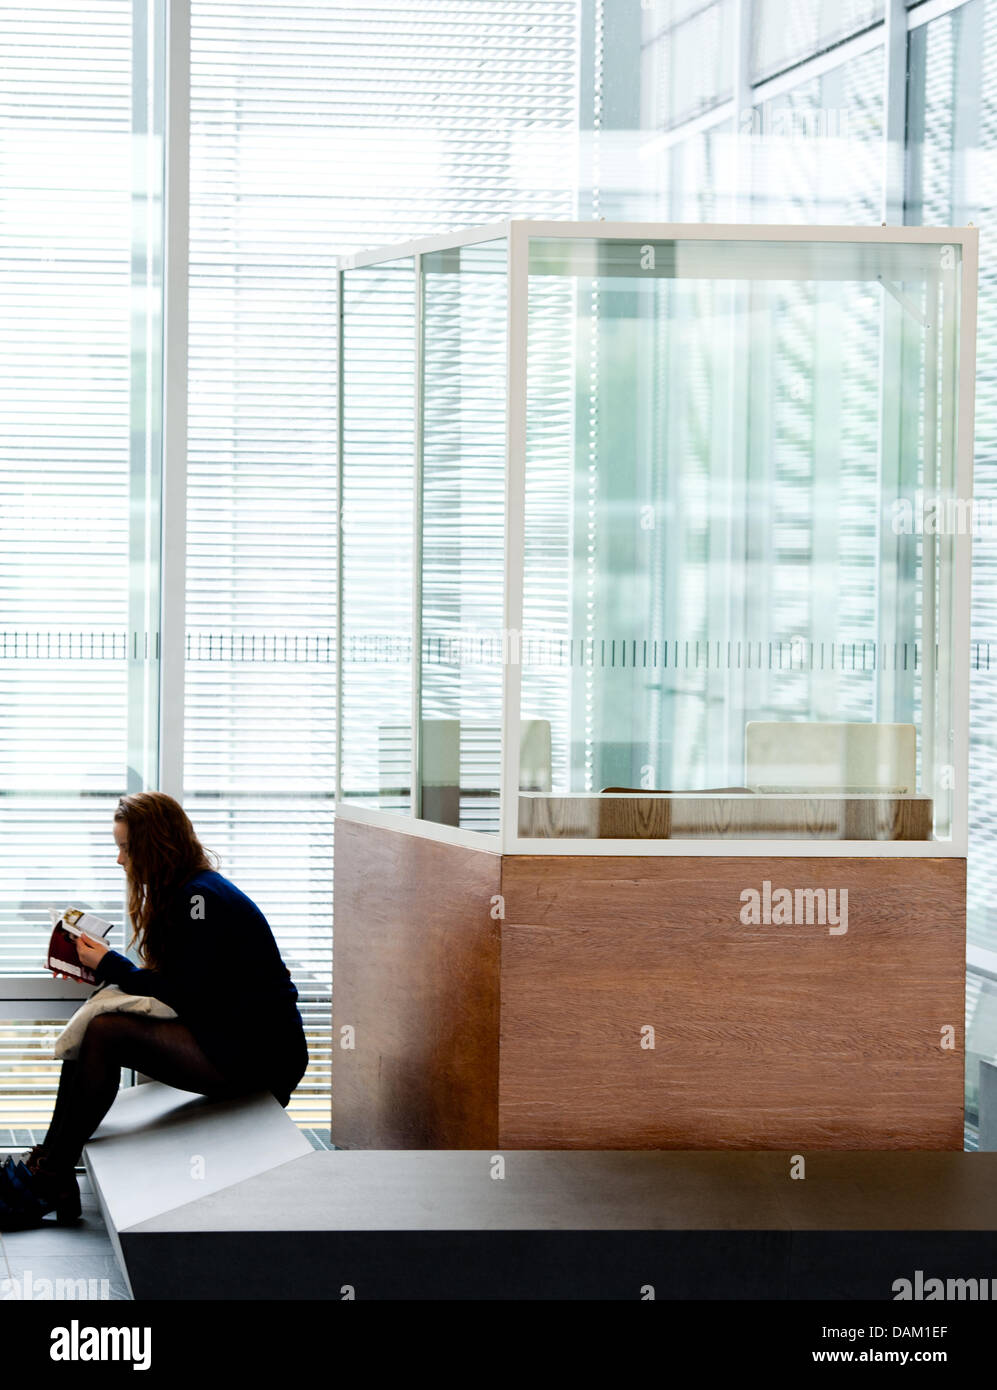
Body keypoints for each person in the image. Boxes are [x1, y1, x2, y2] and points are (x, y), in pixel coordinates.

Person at [0, 791, 309, 1230]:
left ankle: (50, 1173)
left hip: (257, 1058)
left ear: (154, 846)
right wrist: (101, 970)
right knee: (99, 1029)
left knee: (105, 1032)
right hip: (229, 1039)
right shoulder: (189, 892)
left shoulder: (198, 898)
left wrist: (110, 964)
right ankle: (52, 1168)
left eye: (126, 847)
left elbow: (184, 993)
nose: (120, 859)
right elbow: (186, 985)